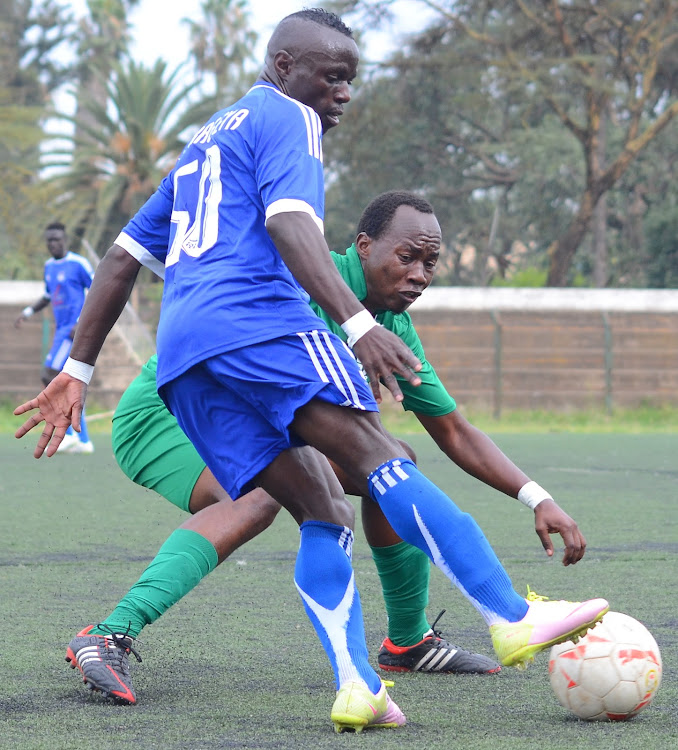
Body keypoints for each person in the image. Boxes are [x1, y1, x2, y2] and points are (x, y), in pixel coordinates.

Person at [15, 10, 609, 734]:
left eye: (351, 80)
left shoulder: (207, 140)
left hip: (187, 357)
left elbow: (120, 260)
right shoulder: (287, 121)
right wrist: (356, 326)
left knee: (322, 505)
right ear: (284, 65)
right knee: (374, 461)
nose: (343, 94)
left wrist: (77, 367)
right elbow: (289, 223)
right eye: (332, 76)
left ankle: (363, 682)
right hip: (244, 335)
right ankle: (510, 617)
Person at [14, 221, 95, 454]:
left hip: (73, 330)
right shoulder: (49, 266)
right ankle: (79, 438)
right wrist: (27, 312)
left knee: (49, 375)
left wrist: (82, 323)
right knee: (62, 381)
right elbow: (48, 296)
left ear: (65, 239)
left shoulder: (78, 263)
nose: (53, 243)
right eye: (49, 240)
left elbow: (97, 290)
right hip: (61, 330)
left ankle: (73, 435)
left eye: (57, 239)